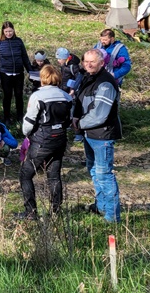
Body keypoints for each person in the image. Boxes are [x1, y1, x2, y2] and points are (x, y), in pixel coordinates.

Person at [73, 48, 123, 223]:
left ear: (101, 63)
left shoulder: (106, 83)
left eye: (92, 62)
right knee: (94, 171)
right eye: (85, 61)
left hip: (103, 135)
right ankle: (100, 206)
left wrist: (78, 124)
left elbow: (100, 114)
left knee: (104, 174)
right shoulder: (88, 77)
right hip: (89, 134)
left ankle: (112, 216)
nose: (88, 64)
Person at [18, 65, 73, 220]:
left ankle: (30, 212)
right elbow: (69, 120)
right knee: (54, 176)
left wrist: (26, 133)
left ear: (42, 78)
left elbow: (28, 123)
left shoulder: (37, 96)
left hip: (42, 140)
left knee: (25, 175)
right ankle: (56, 211)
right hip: (60, 139)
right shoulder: (66, 97)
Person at [0, 21, 33, 124]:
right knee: (7, 96)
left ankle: (20, 116)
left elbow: (24, 57)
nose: (8, 33)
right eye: (6, 31)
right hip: (5, 74)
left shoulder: (18, 41)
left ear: (13, 30)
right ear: (3, 32)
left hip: (18, 73)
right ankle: (6, 117)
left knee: (19, 95)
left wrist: (30, 71)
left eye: (10, 31)